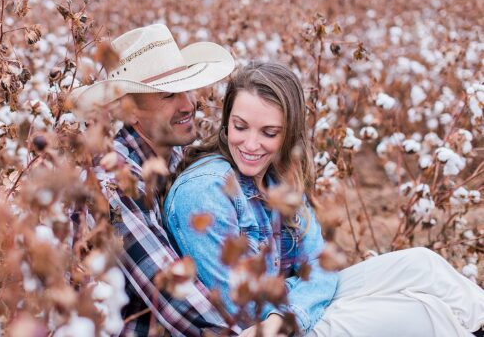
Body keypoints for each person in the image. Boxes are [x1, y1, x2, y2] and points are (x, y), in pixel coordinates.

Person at [163, 61, 484, 336]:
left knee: (422, 266)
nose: (250, 143)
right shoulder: (206, 191)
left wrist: (301, 297)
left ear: (288, 132)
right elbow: (245, 307)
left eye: (269, 133)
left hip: (288, 311)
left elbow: (321, 260)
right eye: (240, 126)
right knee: (419, 313)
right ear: (226, 122)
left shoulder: (274, 177)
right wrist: (300, 299)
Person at [70, 24, 239, 336]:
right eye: (169, 95)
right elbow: (175, 299)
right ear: (130, 111)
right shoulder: (113, 183)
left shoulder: (177, 156)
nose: (189, 104)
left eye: (187, 89)